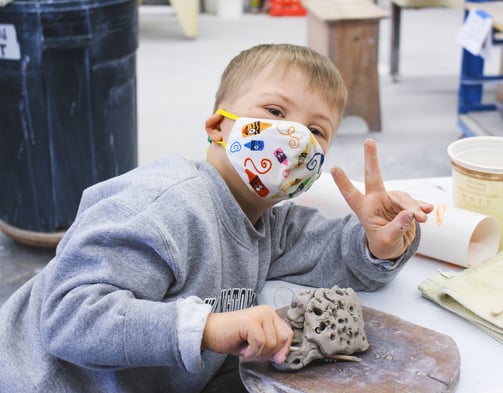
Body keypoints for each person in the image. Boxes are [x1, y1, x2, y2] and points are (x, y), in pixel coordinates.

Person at [0, 43, 433, 393]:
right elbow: (69, 318)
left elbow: (335, 254)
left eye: (316, 131)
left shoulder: (268, 222)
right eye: (276, 112)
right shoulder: (166, 205)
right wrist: (206, 328)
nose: (295, 138)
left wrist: (377, 243)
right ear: (217, 126)